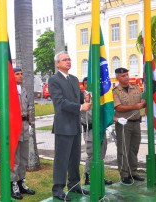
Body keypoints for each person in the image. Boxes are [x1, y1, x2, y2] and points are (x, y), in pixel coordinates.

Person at [48, 51, 91, 201]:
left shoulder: (73, 79)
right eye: (64, 60)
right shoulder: (54, 80)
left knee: (75, 157)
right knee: (62, 158)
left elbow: (78, 97)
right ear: (57, 63)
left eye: (69, 59)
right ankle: (58, 189)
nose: (68, 61)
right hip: (63, 126)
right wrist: (80, 107)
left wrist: (84, 97)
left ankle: (74, 185)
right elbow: (60, 103)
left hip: (75, 125)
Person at [113, 67, 146, 184]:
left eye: (127, 75)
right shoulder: (116, 91)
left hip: (136, 122)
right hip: (123, 124)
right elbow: (118, 107)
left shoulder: (136, 88)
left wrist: (144, 102)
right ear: (117, 77)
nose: (126, 77)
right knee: (123, 149)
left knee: (134, 148)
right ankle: (124, 174)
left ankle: (134, 172)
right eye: (123, 76)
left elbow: (143, 101)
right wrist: (135, 107)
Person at [80, 77, 113, 186]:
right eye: (86, 84)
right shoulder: (82, 99)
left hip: (100, 129)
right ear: (84, 86)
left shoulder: (99, 98)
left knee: (101, 154)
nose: (89, 87)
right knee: (92, 155)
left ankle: (99, 176)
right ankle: (89, 177)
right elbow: (87, 117)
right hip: (90, 130)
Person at [10, 68, 35, 200]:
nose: (20, 76)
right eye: (17, 74)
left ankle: (21, 183)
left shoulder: (23, 90)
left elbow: (28, 108)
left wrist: (30, 123)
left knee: (24, 158)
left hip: (24, 126)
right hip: (14, 126)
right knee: (15, 158)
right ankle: (13, 184)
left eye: (21, 74)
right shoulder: (8, 90)